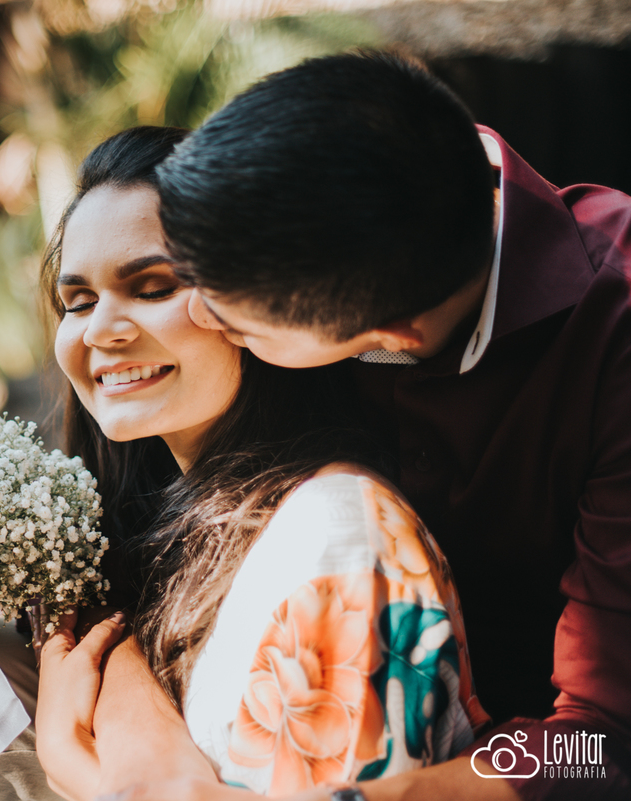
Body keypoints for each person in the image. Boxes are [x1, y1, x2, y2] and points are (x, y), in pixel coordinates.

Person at [0, 126, 488, 800]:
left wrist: (87, 772)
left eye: (152, 287)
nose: (100, 329)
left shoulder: (337, 534)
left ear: (257, 303)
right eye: (78, 300)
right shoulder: (147, 519)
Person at [116, 50, 631, 801]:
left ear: (390, 336)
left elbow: (601, 745)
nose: (191, 319)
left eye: (236, 324)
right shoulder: (310, 219)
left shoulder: (613, 343)